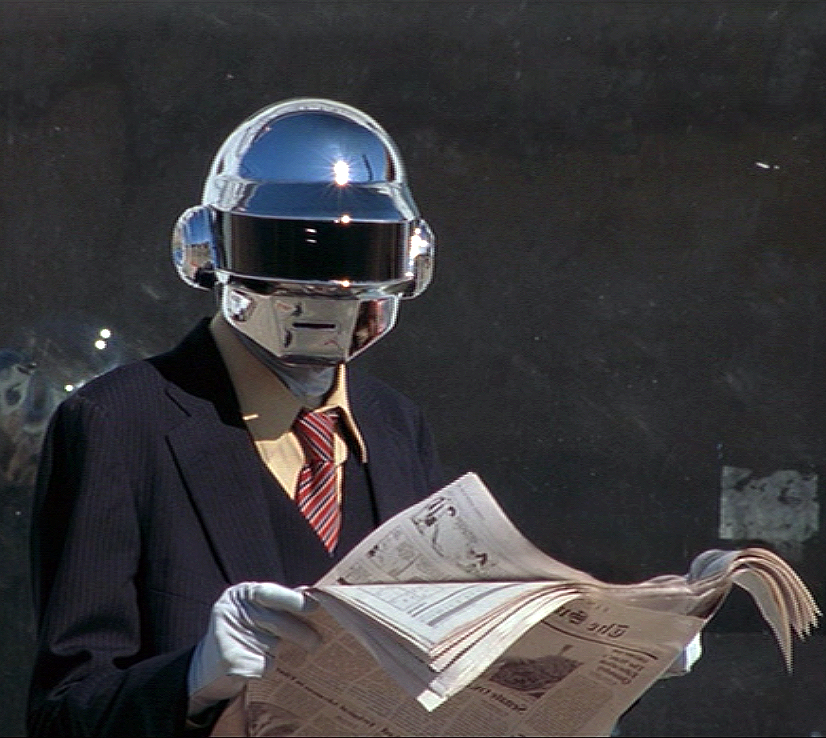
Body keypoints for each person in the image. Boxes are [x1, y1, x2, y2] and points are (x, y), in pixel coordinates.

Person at [27, 98, 444, 737]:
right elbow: (63, 713)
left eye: (358, 250)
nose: (324, 286)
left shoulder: (396, 425)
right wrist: (193, 678)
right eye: (287, 248)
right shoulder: (115, 423)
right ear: (208, 250)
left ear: (410, 259)